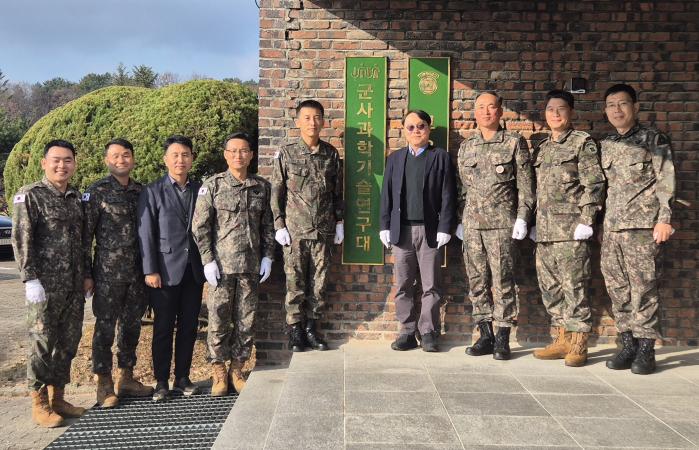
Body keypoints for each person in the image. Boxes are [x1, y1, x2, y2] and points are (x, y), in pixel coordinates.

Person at [600, 84, 676, 375]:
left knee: (643, 289)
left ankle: (646, 349)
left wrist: (664, 218)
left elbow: (665, 180)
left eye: (622, 104)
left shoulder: (652, 139)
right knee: (617, 289)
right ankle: (627, 343)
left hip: (642, 228)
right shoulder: (606, 144)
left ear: (635, 107)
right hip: (612, 229)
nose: (616, 110)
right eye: (611, 105)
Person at [12, 140, 87, 427]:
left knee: (67, 343)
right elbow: (22, 240)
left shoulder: (75, 197)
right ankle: (39, 402)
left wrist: (85, 276)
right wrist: (30, 278)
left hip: (73, 286)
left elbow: (82, 243)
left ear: (74, 164)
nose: (62, 165)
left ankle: (58, 397)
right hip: (43, 287)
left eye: (67, 160)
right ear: (44, 163)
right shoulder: (30, 195)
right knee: (42, 344)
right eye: (56, 160)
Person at [192, 132, 275, 395]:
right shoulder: (213, 185)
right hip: (221, 269)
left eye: (243, 151)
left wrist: (268, 256)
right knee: (217, 320)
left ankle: (237, 368)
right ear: (226, 154)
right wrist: (207, 260)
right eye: (233, 151)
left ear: (251, 154)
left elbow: (268, 226)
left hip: (250, 267)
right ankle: (218, 371)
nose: (238, 156)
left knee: (245, 321)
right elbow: (200, 226)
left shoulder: (261, 186)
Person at [455, 91, 534, 360]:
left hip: (502, 225)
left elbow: (525, 186)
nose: (486, 112)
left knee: (503, 282)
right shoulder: (467, 146)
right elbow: (461, 189)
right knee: (477, 281)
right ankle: (485, 334)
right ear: (474, 112)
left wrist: (523, 217)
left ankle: (503, 337)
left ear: (500, 112)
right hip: (472, 226)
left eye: (491, 107)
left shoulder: (514, 142)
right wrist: (459, 220)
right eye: (481, 107)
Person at [531, 90, 605, 367]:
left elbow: (594, 184)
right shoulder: (543, 147)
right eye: (551, 109)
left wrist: (588, 220)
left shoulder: (581, 143)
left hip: (572, 230)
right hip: (546, 231)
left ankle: (578, 344)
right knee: (550, 287)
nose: (555, 114)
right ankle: (561, 338)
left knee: (575, 287)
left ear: (571, 112)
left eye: (561, 109)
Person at [82, 138, 153, 408]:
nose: (121, 160)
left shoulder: (141, 191)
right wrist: (87, 274)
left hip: (137, 274)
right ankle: (103, 383)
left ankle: (127, 377)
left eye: (126, 155)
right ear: (106, 160)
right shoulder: (96, 192)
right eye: (115, 156)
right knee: (104, 328)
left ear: (133, 159)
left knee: (132, 326)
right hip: (107, 274)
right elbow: (85, 237)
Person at [379, 110, 456, 352]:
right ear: (404, 130)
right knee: (403, 283)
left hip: (430, 230)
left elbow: (448, 194)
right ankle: (407, 331)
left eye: (420, 126)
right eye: (410, 127)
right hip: (401, 231)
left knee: (430, 284)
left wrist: (445, 226)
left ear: (428, 128)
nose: (416, 131)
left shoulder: (440, 157)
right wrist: (384, 225)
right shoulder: (395, 158)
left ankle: (429, 332)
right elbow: (387, 196)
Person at [270, 100, 344, 352]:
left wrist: (339, 221)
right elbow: (276, 191)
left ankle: (312, 328)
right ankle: (295, 331)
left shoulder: (330, 153)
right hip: (295, 232)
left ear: (323, 121)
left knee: (319, 284)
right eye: (307, 117)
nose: (312, 122)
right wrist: (278, 223)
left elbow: (337, 192)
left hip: (323, 231)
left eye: (317, 117)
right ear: (298, 121)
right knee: (295, 284)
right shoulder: (287, 153)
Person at [137, 135, 205, 401]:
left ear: (192, 158)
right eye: (175, 155)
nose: (180, 160)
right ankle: (162, 380)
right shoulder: (152, 191)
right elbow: (146, 234)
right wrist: (149, 270)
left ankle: (183, 377)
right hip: (163, 271)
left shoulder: (201, 190)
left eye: (185, 154)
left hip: (194, 270)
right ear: (166, 159)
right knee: (163, 327)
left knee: (189, 326)